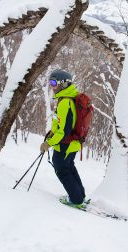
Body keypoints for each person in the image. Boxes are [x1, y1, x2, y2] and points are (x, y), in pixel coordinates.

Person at [40, 69, 86, 208]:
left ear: (64, 84)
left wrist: (49, 143)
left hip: (66, 144)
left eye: (54, 83)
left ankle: (76, 199)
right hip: (72, 143)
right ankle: (79, 195)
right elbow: (61, 124)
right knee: (69, 167)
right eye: (51, 82)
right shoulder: (69, 97)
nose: (52, 86)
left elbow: (64, 131)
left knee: (61, 169)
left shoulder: (66, 102)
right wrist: (51, 134)